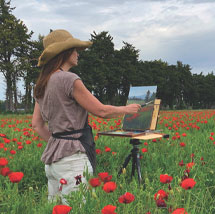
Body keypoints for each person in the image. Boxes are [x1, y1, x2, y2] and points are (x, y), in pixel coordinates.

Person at [31, 29, 141, 203]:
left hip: (53, 163)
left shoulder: (42, 83)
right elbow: (101, 111)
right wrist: (127, 109)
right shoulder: (68, 79)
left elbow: (37, 124)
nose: (77, 53)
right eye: (74, 49)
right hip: (72, 162)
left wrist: (59, 142)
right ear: (64, 52)